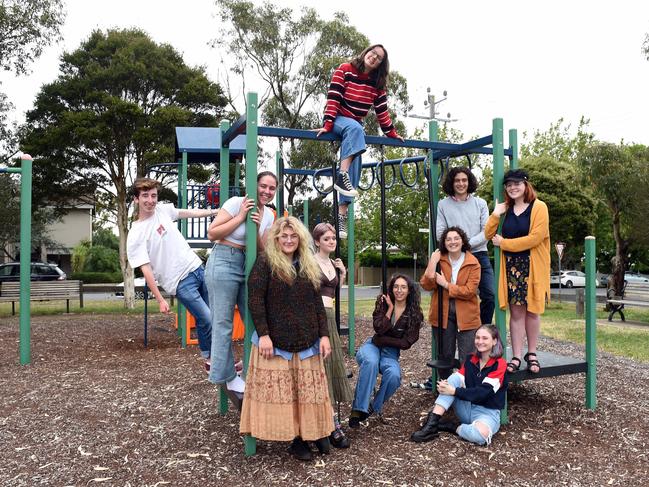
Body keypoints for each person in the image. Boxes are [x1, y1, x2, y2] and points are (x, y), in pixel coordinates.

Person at [240, 216, 333, 461]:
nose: (289, 240)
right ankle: (294, 440)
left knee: (307, 394)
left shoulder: (308, 264)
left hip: (307, 341)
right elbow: (255, 301)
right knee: (287, 395)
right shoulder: (265, 262)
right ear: (276, 238)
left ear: (300, 238)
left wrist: (324, 335)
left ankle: (311, 434)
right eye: (284, 236)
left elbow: (317, 303)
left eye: (293, 236)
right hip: (277, 341)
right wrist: (264, 335)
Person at [127, 177, 218, 370]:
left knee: (210, 319)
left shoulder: (163, 210)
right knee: (207, 318)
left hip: (197, 268)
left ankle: (213, 359)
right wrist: (160, 299)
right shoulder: (136, 234)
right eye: (145, 196)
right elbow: (145, 268)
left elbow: (186, 213)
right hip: (179, 282)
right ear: (136, 199)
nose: (150, 200)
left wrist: (213, 211)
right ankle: (211, 358)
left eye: (153, 195)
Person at [316, 44, 403, 237]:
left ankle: (341, 216)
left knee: (356, 158)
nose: (374, 57)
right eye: (372, 53)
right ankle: (342, 174)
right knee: (356, 130)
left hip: (354, 127)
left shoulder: (377, 84)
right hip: (338, 119)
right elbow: (334, 97)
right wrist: (328, 123)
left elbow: (382, 111)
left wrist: (391, 132)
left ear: (381, 64)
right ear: (366, 53)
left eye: (379, 57)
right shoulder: (345, 69)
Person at [205, 171, 278, 394]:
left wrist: (255, 227)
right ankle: (227, 377)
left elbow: (262, 249)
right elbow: (212, 233)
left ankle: (254, 370)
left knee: (256, 319)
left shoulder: (269, 215)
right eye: (263, 186)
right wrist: (241, 217)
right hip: (224, 258)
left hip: (248, 262)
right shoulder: (237, 203)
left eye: (271, 188)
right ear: (255, 185)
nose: (266, 191)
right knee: (223, 323)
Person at [485, 169, 550, 374]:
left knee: (532, 311)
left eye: (517, 184)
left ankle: (531, 354)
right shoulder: (507, 209)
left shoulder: (539, 207)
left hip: (533, 266)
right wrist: (496, 214)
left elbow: (535, 238)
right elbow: (488, 234)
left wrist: (504, 243)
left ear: (525, 185)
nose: (513, 187)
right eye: (509, 185)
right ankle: (515, 355)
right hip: (512, 269)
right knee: (516, 312)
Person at [410, 324, 508, 446]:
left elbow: (483, 393)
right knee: (452, 379)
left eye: (485, 338)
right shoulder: (471, 359)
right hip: (466, 407)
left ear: (494, 341)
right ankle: (432, 423)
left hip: (487, 412)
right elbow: (457, 379)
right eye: (477, 338)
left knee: (481, 435)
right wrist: (446, 386)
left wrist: (454, 391)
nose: (480, 341)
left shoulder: (500, 364)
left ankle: (453, 427)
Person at [349, 274, 423, 428]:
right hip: (372, 347)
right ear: (392, 288)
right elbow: (379, 328)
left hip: (390, 353)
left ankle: (372, 406)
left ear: (409, 291)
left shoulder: (414, 313)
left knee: (394, 376)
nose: (399, 290)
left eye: (403, 287)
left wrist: (383, 339)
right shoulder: (384, 303)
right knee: (371, 362)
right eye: (396, 286)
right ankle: (357, 410)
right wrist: (389, 309)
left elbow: (406, 343)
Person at [312, 222, 354, 448]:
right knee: (320, 370)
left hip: (330, 316)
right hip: (316, 317)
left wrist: (343, 274)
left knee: (331, 368)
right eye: (327, 238)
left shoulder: (332, 263)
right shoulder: (311, 262)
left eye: (333, 238)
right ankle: (329, 423)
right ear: (317, 241)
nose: (331, 242)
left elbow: (334, 292)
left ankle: (331, 421)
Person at [421, 226, 482, 379]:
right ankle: (445, 388)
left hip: (467, 314)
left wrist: (446, 285)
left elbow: (469, 291)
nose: (452, 242)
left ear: (462, 241)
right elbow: (426, 285)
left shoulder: (473, 263)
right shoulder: (439, 259)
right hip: (442, 311)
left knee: (467, 356)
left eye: (456, 238)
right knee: (445, 355)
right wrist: (432, 263)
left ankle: (465, 390)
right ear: (444, 242)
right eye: (448, 239)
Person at [437, 166, 495, 326]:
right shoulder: (443, 205)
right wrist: (457, 247)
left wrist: (465, 244)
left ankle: (482, 333)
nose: (461, 183)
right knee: (454, 295)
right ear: (451, 183)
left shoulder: (480, 203)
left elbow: (487, 232)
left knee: (490, 295)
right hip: (454, 257)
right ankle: (457, 332)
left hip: (479, 255)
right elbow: (440, 233)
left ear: (469, 182)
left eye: (464, 180)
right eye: (457, 180)